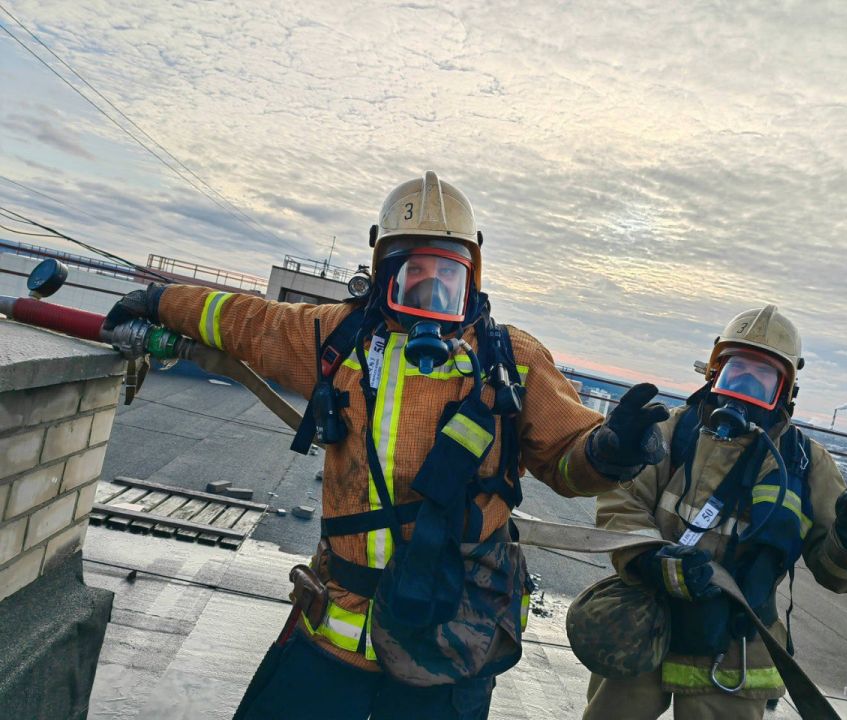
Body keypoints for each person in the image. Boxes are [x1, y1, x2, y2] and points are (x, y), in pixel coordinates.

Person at [103, 170, 670, 720]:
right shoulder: (338, 336)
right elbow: (250, 322)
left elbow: (567, 460)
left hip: (452, 640)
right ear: (382, 270)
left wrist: (607, 452)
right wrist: (159, 302)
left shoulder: (510, 359)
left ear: (471, 276)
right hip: (335, 633)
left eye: (446, 278)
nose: (429, 292)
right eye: (411, 273)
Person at [582, 304, 847, 720]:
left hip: (735, 650)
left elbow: (837, 574)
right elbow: (621, 503)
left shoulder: (805, 465)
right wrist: (651, 559)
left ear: (785, 393)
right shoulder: (672, 433)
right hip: (645, 626)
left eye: (761, 380)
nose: (743, 386)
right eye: (736, 372)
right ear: (713, 374)